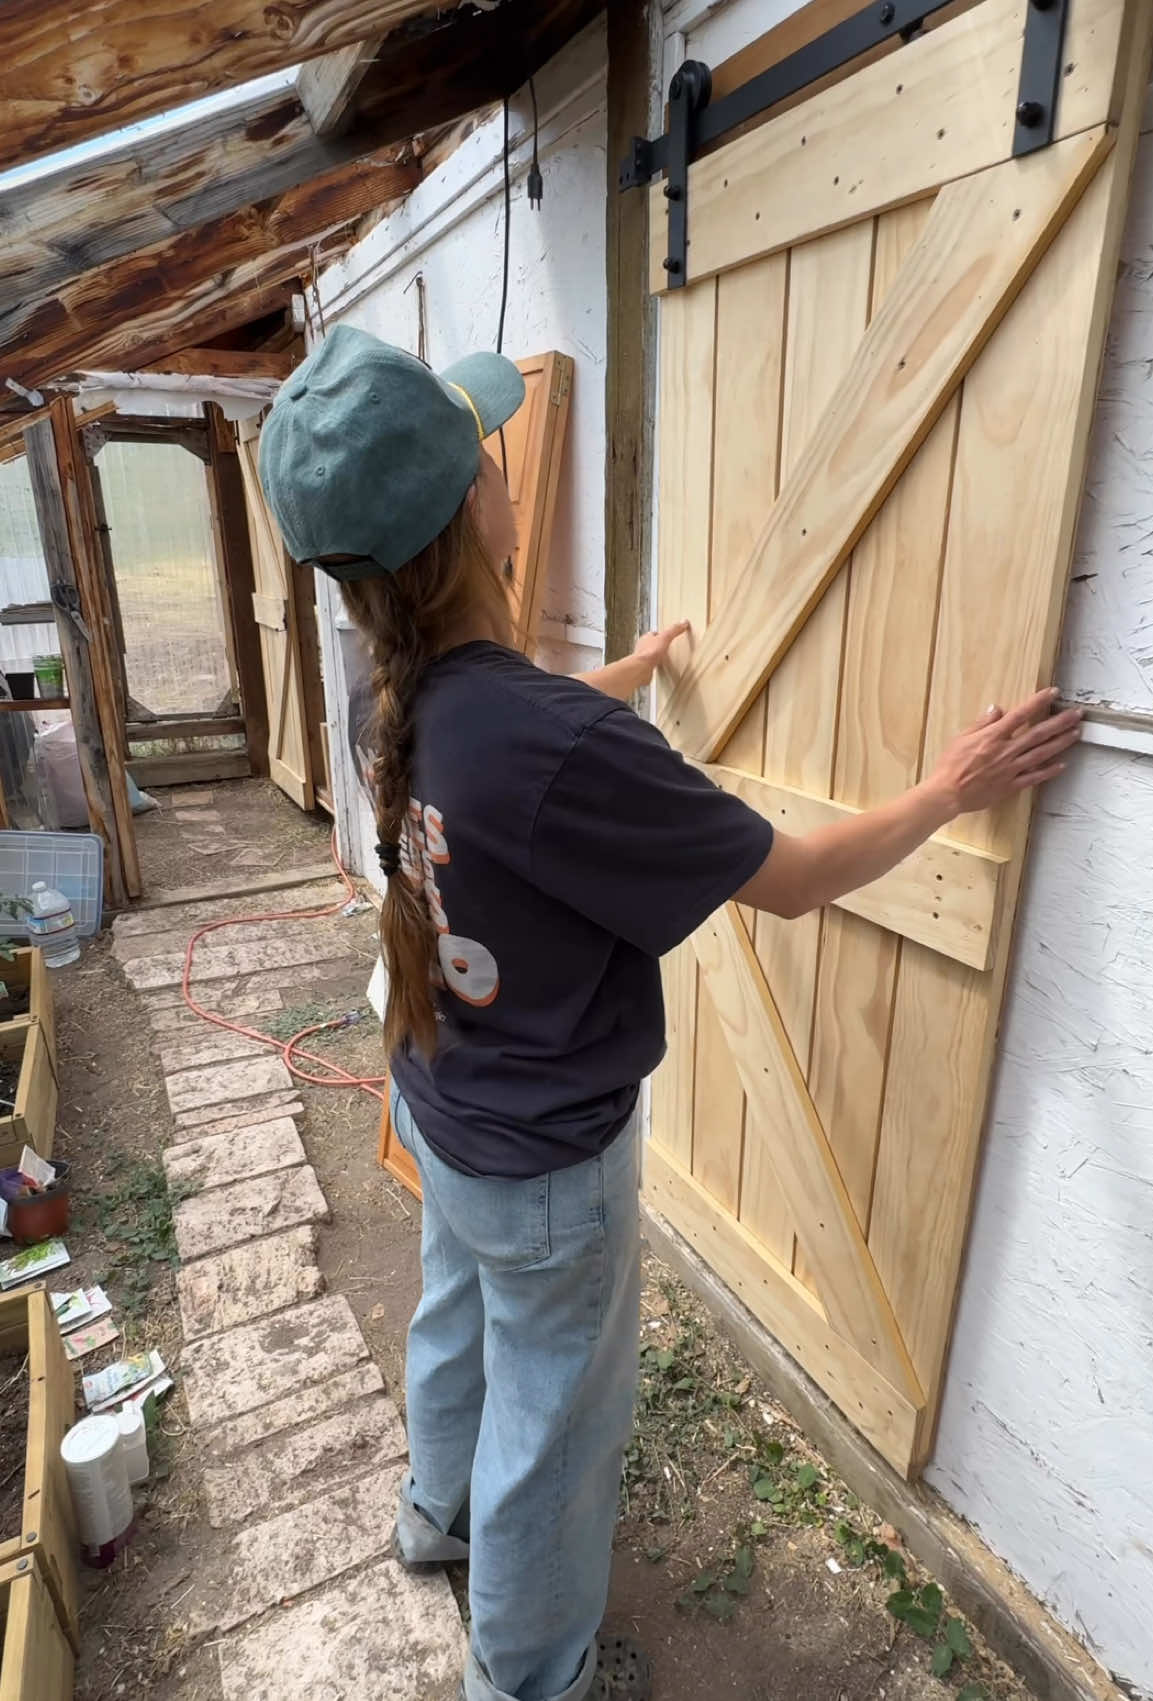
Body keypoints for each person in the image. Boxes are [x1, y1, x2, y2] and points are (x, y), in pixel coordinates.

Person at [260, 324, 1082, 1701]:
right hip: (544, 1165)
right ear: (473, 508)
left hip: (443, 1099)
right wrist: (950, 788)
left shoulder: (387, 687)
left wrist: (630, 669)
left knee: (455, 1321)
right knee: (553, 1435)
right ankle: (528, 1680)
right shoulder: (551, 743)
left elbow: (521, 738)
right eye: (485, 454)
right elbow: (795, 878)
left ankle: (431, 1516)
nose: (503, 469)